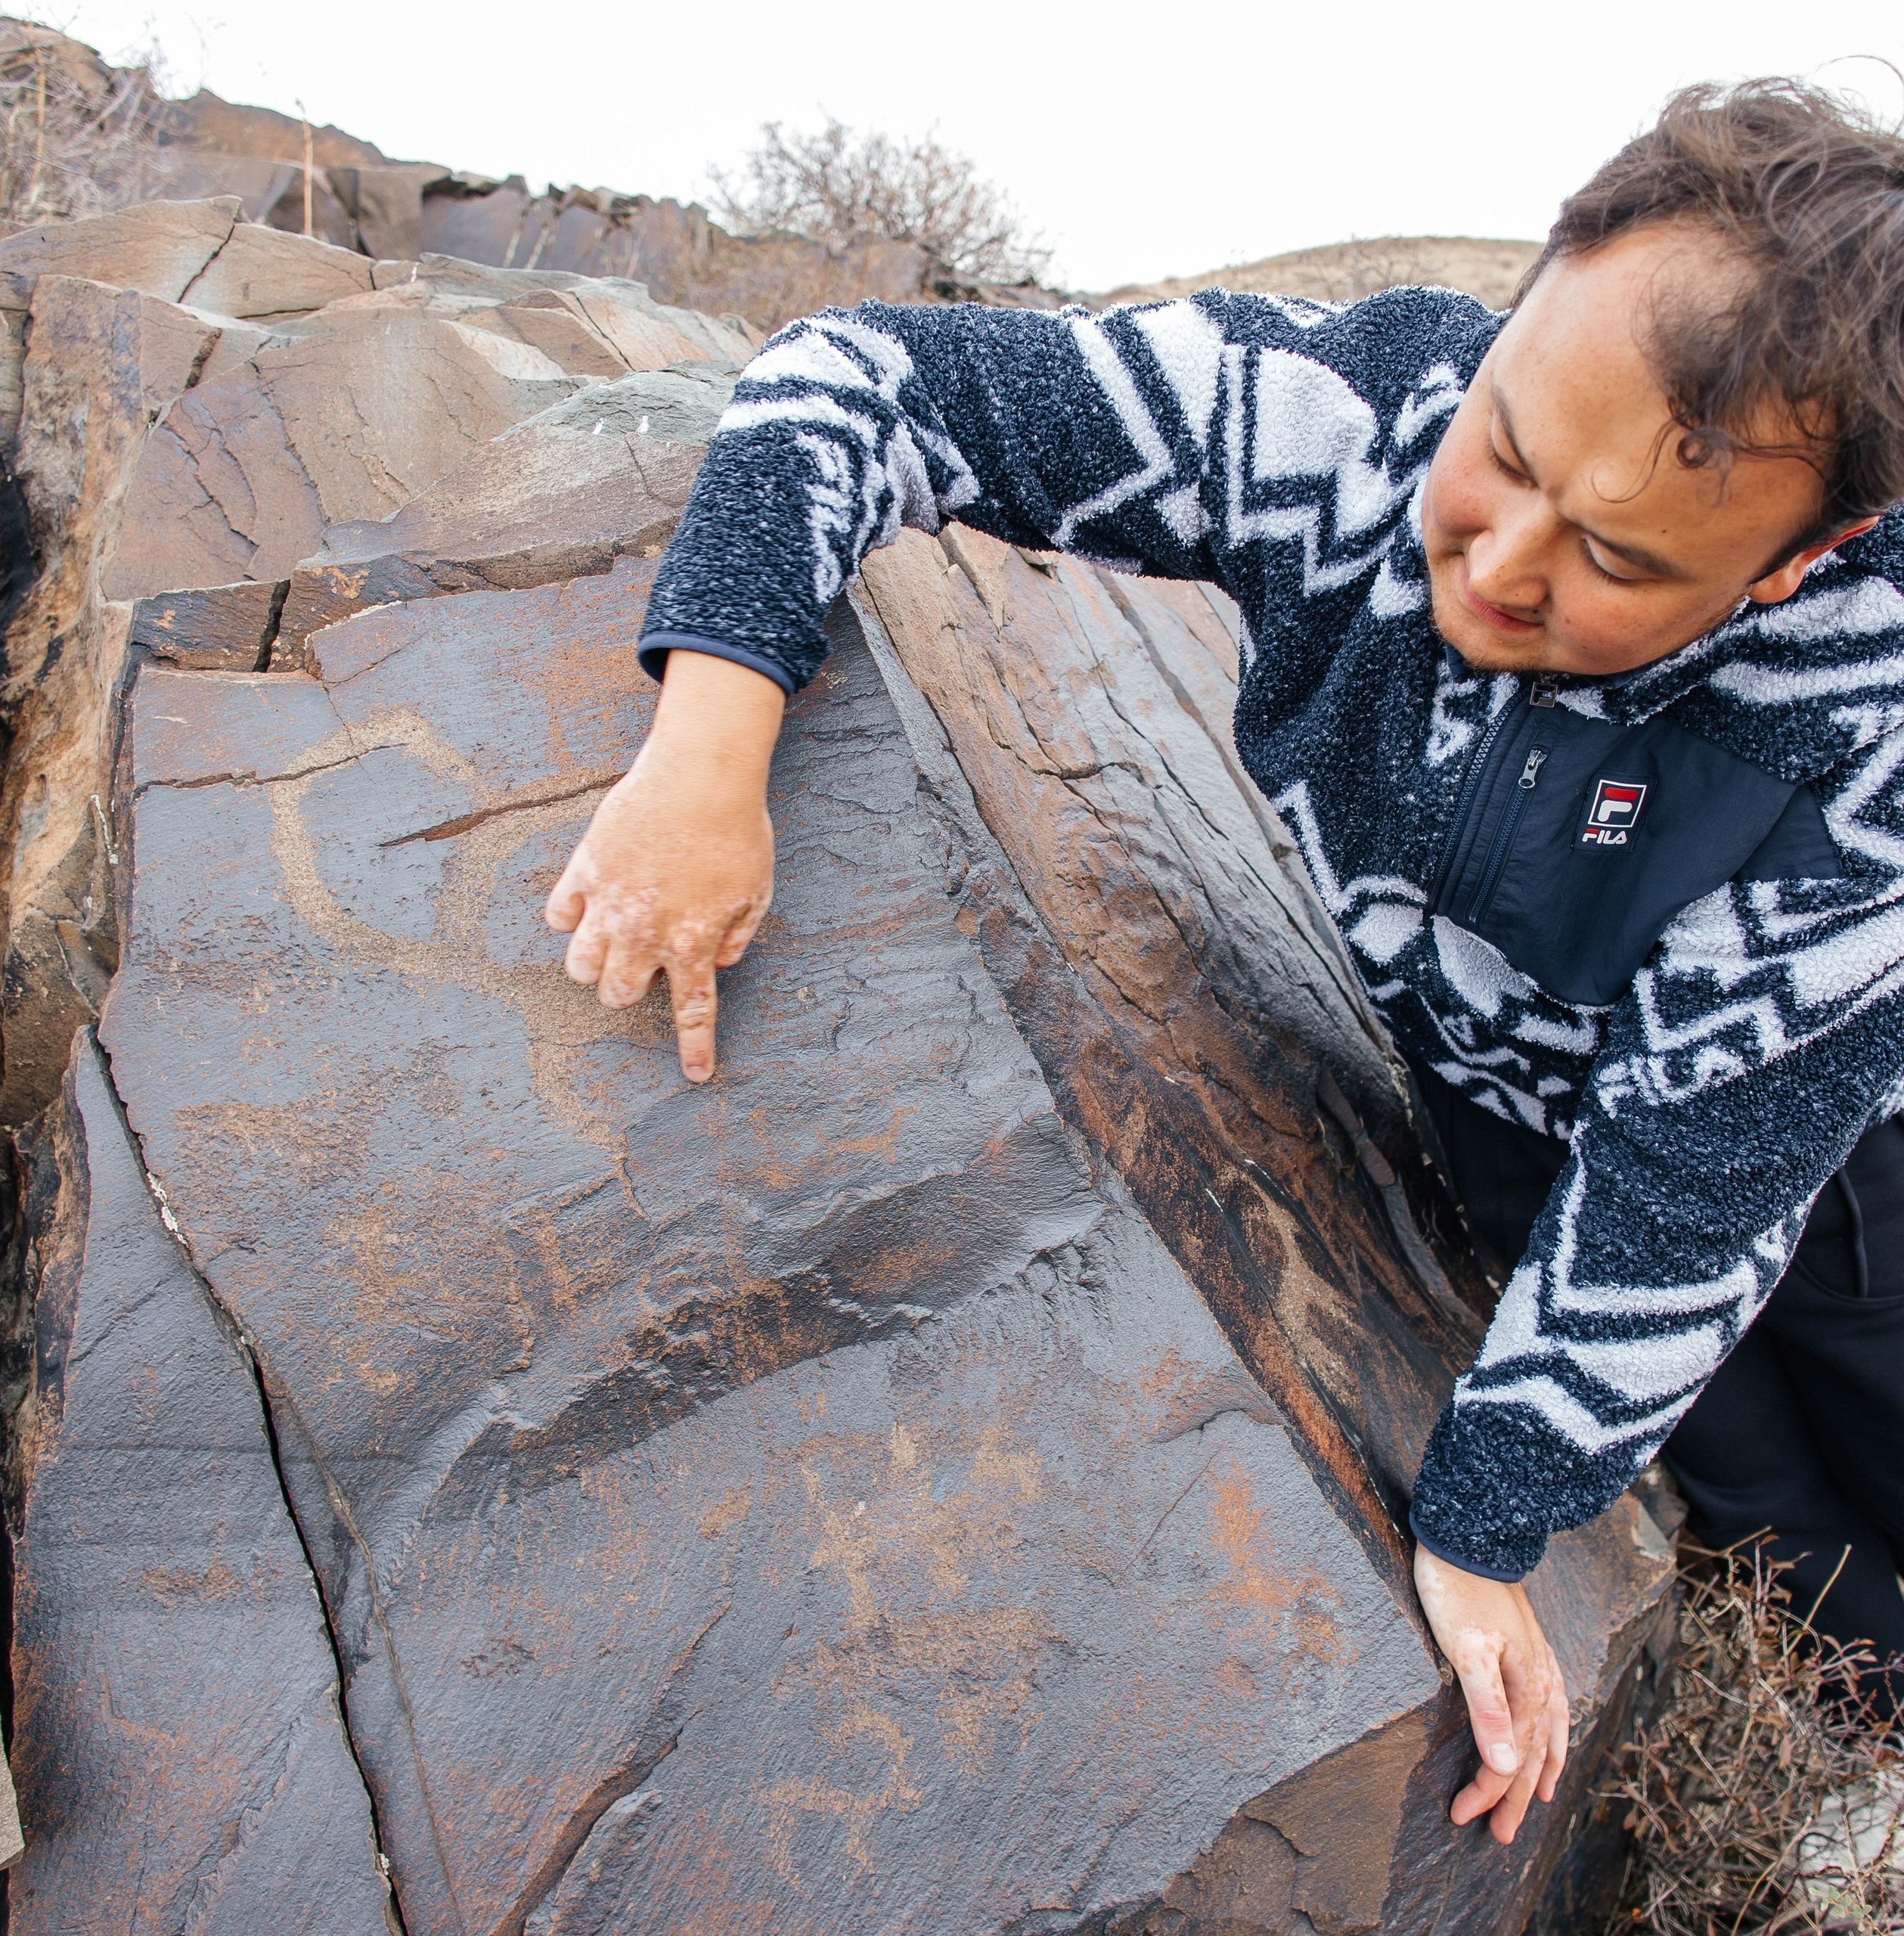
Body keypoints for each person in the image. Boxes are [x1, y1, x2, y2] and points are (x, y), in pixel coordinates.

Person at [544, 80, 1904, 1844]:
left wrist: (1478, 1522)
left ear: (1802, 560)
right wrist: (710, 744)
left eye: (1614, 560)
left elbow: (1691, 1186)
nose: (1494, 562)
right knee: (1744, 1490)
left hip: (1822, 1153)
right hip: (1493, 1109)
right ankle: (1853, 1761)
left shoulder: (1861, 718)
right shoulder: (1345, 416)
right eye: (1503, 447)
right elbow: (857, 378)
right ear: (1521, 305)